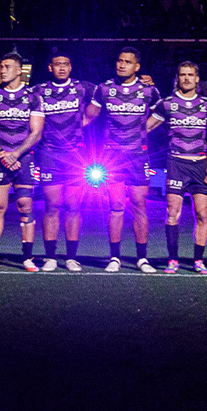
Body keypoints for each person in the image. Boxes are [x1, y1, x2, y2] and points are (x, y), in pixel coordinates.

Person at [85, 47, 160, 273]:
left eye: (127, 62)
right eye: (119, 60)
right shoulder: (104, 88)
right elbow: (88, 116)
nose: (121, 64)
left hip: (138, 155)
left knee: (139, 206)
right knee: (116, 207)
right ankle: (115, 258)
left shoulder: (149, 90)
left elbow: (162, 113)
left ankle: (142, 259)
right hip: (113, 156)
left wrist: (143, 131)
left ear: (137, 67)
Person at [146, 61, 207, 274]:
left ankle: (198, 260)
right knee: (172, 213)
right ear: (177, 78)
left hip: (200, 164)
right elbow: (145, 127)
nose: (186, 78)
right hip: (176, 163)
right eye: (183, 75)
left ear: (197, 79)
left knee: (202, 214)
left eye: (190, 75)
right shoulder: (167, 104)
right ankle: (173, 260)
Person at [0, 52, 45, 271]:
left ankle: (27, 257)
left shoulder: (33, 97)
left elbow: (36, 133)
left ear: (19, 70)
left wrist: (15, 155)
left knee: (25, 205)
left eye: (7, 66)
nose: (2, 70)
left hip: (23, 159)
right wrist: (2, 154)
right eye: (1, 66)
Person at [33, 52, 96, 270]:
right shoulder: (39, 90)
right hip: (49, 154)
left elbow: (109, 92)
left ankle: (71, 257)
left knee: (73, 206)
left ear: (71, 67)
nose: (62, 68)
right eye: (57, 64)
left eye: (66, 64)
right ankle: (50, 257)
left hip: (75, 155)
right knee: (52, 205)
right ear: (50, 67)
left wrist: (144, 81)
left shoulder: (83, 88)